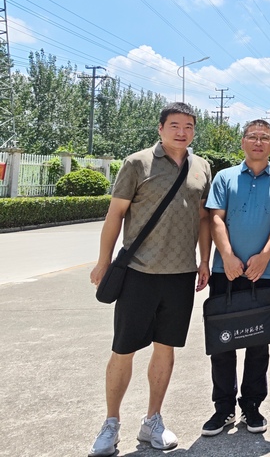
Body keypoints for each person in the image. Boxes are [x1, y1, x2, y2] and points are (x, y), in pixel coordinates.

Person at [88, 102, 212, 456]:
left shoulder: (202, 167)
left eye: (188, 126)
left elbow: (203, 218)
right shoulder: (137, 163)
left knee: (166, 348)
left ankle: (152, 420)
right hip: (139, 273)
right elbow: (115, 214)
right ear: (160, 128)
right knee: (123, 349)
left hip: (181, 275)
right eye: (175, 125)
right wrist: (104, 261)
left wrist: (205, 260)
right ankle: (111, 423)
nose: (182, 132)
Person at [202, 120, 270, 436]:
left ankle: (252, 406)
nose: (258, 142)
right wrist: (227, 256)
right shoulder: (225, 177)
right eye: (252, 137)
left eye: (264, 138)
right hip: (224, 273)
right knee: (222, 342)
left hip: (262, 274)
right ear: (242, 142)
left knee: (258, 342)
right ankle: (223, 408)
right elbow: (215, 218)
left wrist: (265, 257)